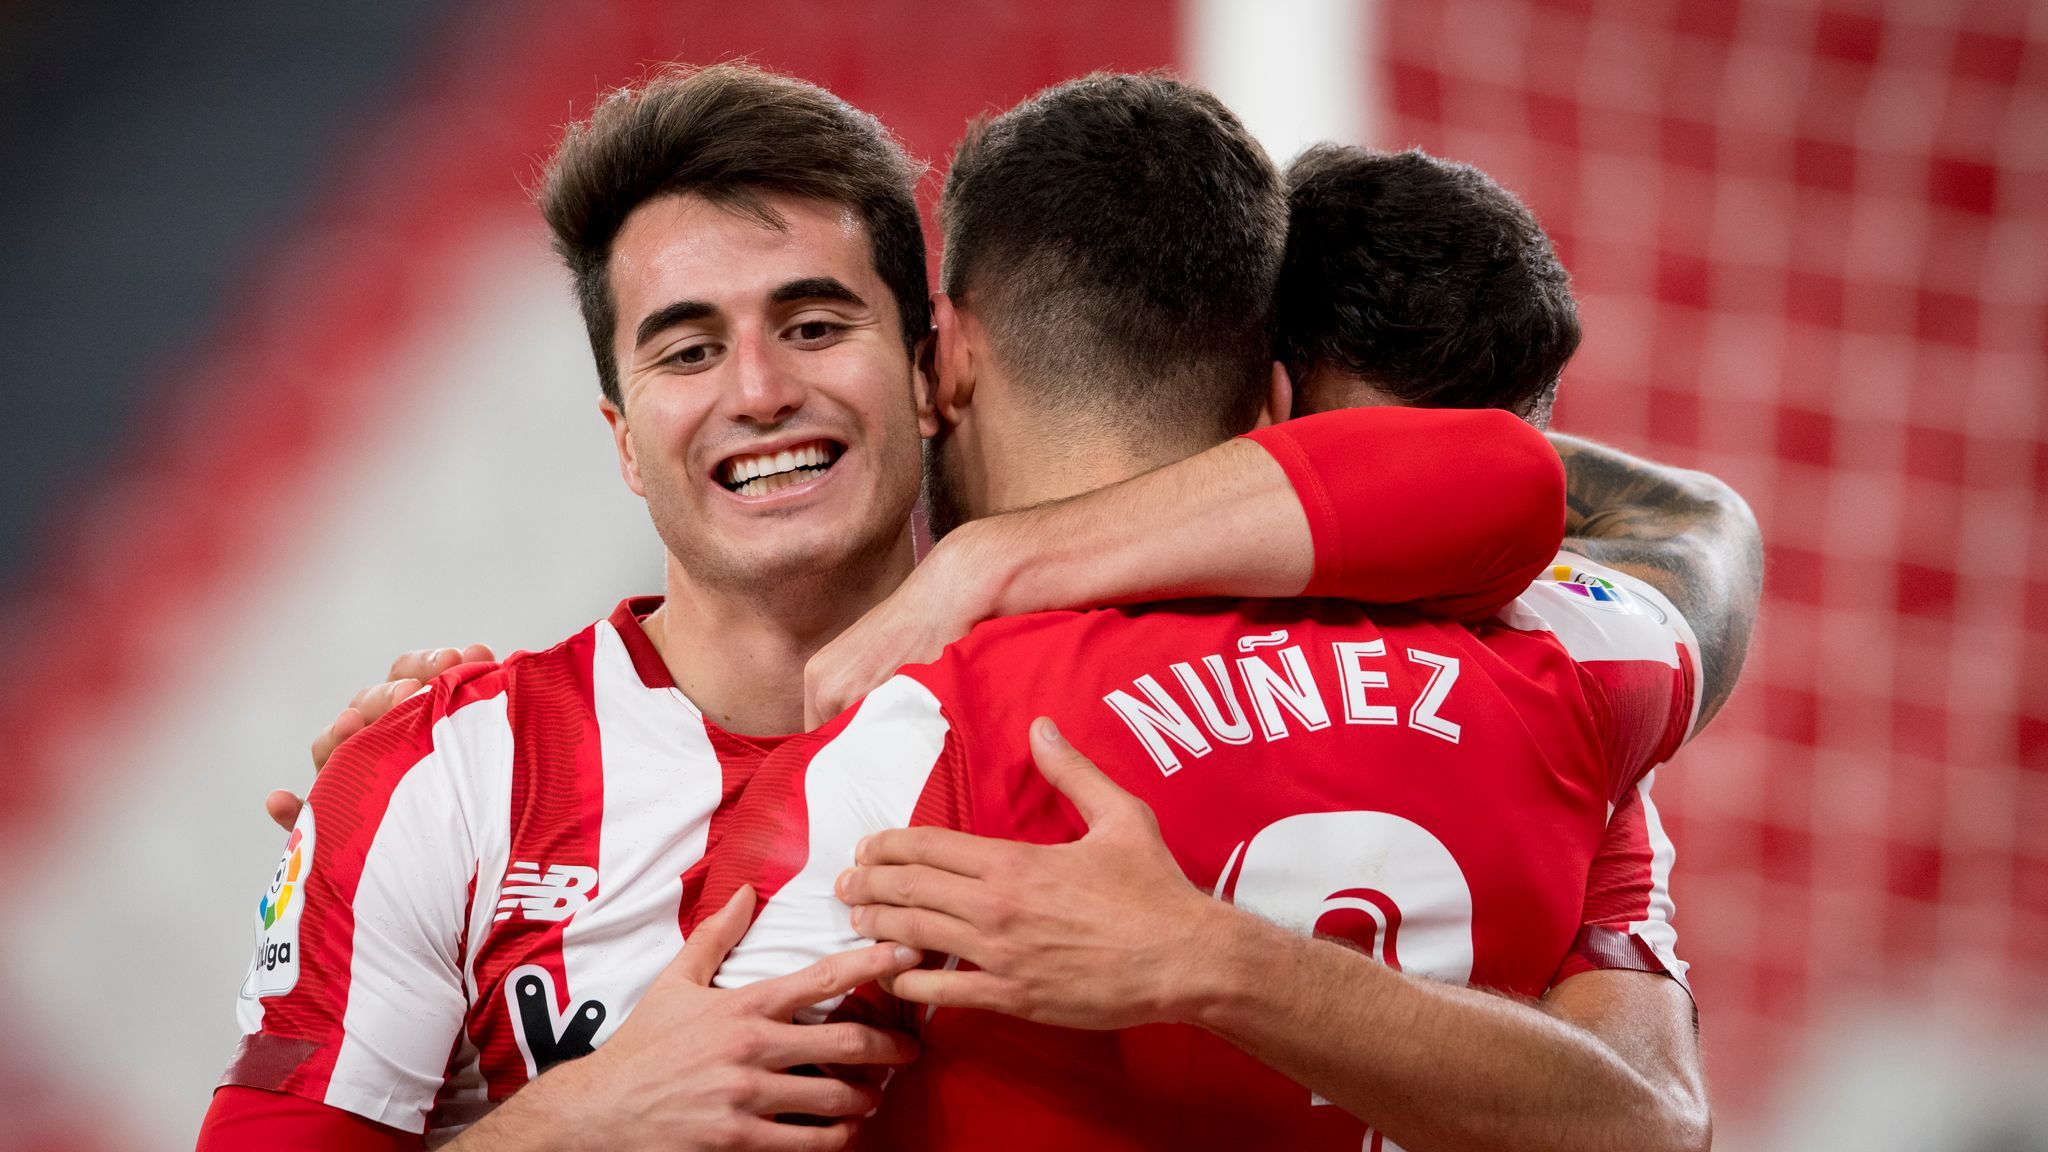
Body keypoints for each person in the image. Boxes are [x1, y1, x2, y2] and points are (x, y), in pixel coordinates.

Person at [197, 65, 1571, 1150]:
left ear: (930, 369)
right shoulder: (441, 780)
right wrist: (584, 1123)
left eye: (812, 322)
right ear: (623, 437)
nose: (757, 391)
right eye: (687, 349)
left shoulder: (1121, 702)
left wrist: (993, 566)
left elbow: (1518, 485)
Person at [689, 87, 1760, 1151]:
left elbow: (674, 1108)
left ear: (948, 356)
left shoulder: (910, 745)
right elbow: (1653, 1125)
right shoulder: (1570, 669)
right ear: (1269, 404)